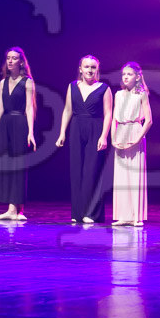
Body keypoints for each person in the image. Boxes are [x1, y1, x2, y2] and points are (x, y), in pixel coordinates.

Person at [56, 55, 113, 223]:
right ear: (80, 69)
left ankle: (91, 213)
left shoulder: (104, 88)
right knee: (77, 170)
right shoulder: (72, 86)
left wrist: (104, 136)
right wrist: (62, 132)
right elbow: (67, 110)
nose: (89, 70)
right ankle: (78, 213)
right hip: (76, 128)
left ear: (97, 69)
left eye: (93, 67)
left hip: (95, 129)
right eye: (86, 67)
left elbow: (108, 114)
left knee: (92, 171)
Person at [0, 47, 36, 220]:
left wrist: (31, 131)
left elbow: (29, 108)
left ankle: (16, 210)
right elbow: (0, 109)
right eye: (8, 58)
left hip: (20, 124)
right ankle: (13, 210)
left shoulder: (27, 82)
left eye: (14, 58)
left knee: (18, 165)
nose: (10, 61)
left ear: (21, 62)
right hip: (6, 125)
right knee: (6, 165)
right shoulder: (3, 83)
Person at [112, 62, 152, 227]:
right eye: (124, 74)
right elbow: (114, 119)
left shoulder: (141, 95)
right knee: (121, 177)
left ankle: (137, 216)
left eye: (129, 74)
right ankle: (123, 215)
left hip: (135, 131)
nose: (126, 77)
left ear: (137, 77)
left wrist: (137, 139)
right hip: (121, 132)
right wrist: (113, 138)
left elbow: (148, 120)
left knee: (135, 176)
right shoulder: (118, 94)